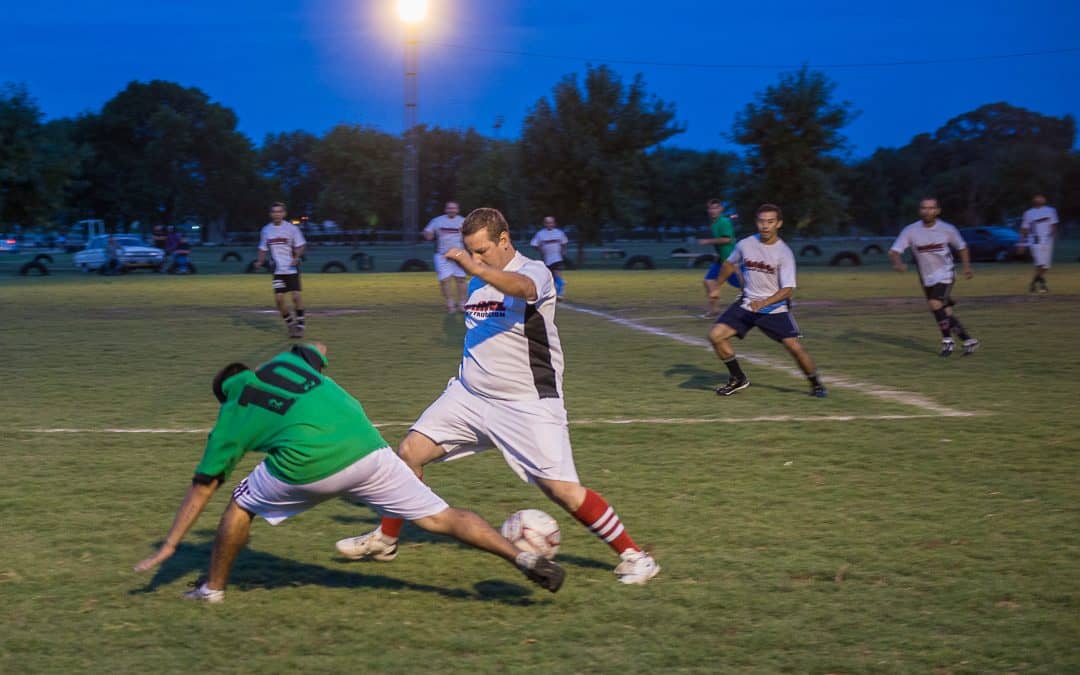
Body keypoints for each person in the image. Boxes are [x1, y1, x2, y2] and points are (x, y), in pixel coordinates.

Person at [336, 208, 660, 585]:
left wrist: (478, 270)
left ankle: (635, 556)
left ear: (504, 240)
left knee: (562, 491)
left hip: (526, 403)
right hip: (469, 395)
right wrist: (479, 271)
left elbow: (522, 288)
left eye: (482, 250)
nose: (476, 258)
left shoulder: (534, 270)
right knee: (408, 453)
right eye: (470, 251)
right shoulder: (479, 277)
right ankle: (386, 539)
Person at [133, 342, 566, 603]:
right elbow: (317, 349)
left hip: (309, 464)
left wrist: (171, 544)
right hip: (367, 447)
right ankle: (523, 557)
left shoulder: (231, 410)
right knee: (440, 517)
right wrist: (313, 357)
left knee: (240, 503)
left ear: (222, 393)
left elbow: (201, 488)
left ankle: (212, 590)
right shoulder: (288, 362)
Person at [708, 204, 827, 398]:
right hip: (747, 303)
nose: (765, 226)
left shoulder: (784, 253)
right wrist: (717, 286)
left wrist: (764, 303)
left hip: (774, 308)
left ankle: (815, 383)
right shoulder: (745, 244)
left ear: (778, 224)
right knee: (715, 336)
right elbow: (729, 264)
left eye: (770, 222)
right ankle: (738, 378)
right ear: (757, 222)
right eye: (762, 221)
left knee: (795, 348)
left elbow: (788, 289)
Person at [889, 197, 979, 357]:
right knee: (945, 312)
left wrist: (967, 267)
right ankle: (969, 341)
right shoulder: (911, 230)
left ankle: (947, 341)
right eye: (924, 208)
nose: (927, 211)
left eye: (931, 208)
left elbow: (962, 247)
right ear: (920, 211)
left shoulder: (947, 229)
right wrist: (898, 263)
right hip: (926, 277)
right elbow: (894, 251)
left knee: (934, 304)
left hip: (946, 273)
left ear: (938, 211)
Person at [256, 202, 307, 338]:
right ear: (271, 214)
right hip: (277, 270)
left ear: (284, 214)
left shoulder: (292, 229)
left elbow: (301, 245)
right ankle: (290, 324)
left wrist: (296, 256)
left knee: (296, 296)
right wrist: (260, 261)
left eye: (279, 211)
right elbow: (262, 248)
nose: (277, 214)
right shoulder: (266, 230)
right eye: (274, 212)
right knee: (279, 300)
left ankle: (301, 325)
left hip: (291, 268)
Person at [423, 201, 468, 313]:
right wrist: (428, 234)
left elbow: (470, 236)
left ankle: (463, 304)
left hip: (459, 255)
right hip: (442, 255)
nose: (452, 210)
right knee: (445, 280)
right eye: (449, 208)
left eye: (454, 208)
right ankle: (450, 303)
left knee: (461, 279)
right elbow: (427, 231)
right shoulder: (437, 221)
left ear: (457, 210)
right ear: (445, 209)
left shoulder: (463, 221)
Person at [697, 199, 738, 318]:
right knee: (708, 281)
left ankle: (777, 299)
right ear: (708, 210)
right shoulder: (714, 223)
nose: (713, 211)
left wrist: (707, 241)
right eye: (711, 208)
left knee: (744, 284)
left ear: (721, 209)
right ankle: (714, 310)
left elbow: (727, 239)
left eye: (716, 208)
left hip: (731, 260)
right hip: (721, 260)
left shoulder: (724, 221)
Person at [1020, 194, 1058, 294]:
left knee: (1046, 266)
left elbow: (1054, 225)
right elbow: (1024, 229)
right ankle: (1042, 285)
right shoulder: (1028, 213)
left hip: (1047, 240)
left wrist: (1053, 237)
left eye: (1041, 197)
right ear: (1033, 200)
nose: (1039, 199)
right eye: (1037, 197)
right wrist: (1022, 243)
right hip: (1035, 240)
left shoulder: (1051, 210)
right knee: (1040, 263)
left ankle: (1034, 283)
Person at [529, 216, 570, 298]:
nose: (549, 224)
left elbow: (564, 243)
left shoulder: (559, 233)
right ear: (544, 224)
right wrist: (540, 249)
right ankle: (558, 287)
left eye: (551, 222)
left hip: (557, 258)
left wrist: (563, 253)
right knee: (550, 277)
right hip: (546, 259)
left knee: (557, 274)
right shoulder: (540, 234)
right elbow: (534, 244)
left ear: (554, 223)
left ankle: (560, 293)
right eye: (547, 223)